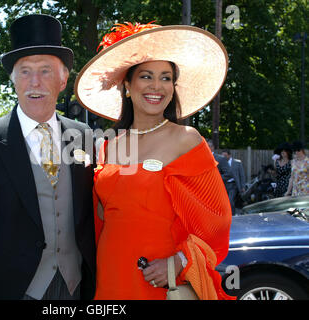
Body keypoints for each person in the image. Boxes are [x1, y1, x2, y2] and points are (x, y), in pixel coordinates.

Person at [0, 14, 96, 300]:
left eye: (46, 71)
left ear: (63, 81)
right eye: (25, 71)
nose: (34, 82)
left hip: (76, 288)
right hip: (9, 290)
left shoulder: (84, 136)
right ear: (13, 81)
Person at [75, 22, 233, 299]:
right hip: (111, 275)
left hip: (159, 279)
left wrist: (179, 262)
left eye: (166, 77)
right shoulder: (108, 146)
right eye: (146, 76)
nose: (157, 86)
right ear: (127, 84)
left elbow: (217, 220)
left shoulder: (186, 139)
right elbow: (102, 217)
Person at [222, 150, 246, 215]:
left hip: (234, 185)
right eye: (223, 156)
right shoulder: (221, 163)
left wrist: (243, 186)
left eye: (225, 156)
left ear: (229, 155)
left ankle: (232, 215)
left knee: (230, 200)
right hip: (225, 185)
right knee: (225, 202)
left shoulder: (237, 163)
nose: (223, 157)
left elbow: (242, 175)